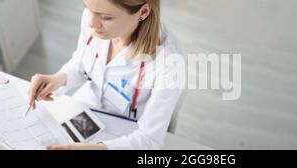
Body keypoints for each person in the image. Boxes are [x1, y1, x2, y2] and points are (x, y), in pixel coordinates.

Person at [28, 0, 185, 150]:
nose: (91, 23)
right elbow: (81, 64)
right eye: (87, 7)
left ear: (143, 12)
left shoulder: (169, 62)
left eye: (106, 17)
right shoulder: (93, 17)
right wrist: (58, 79)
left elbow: (149, 140)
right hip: (88, 106)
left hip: (127, 132)